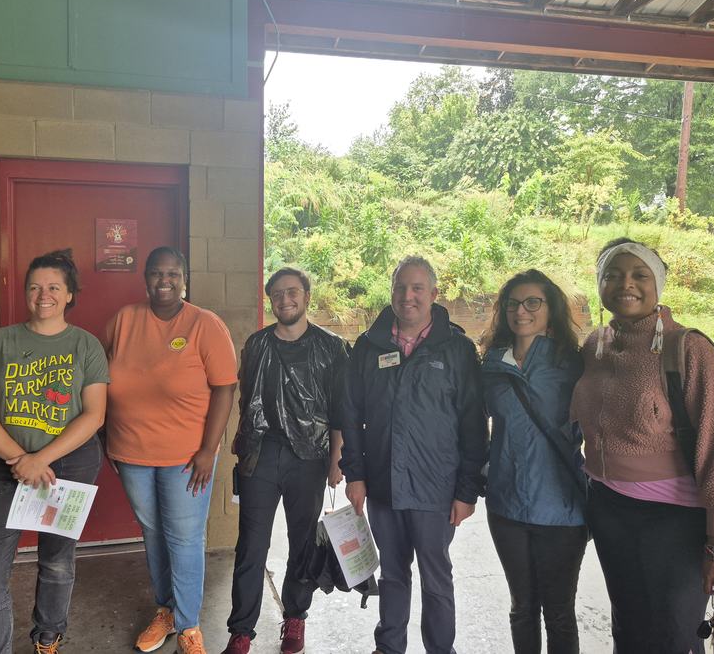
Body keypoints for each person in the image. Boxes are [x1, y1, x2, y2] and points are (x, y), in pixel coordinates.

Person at [571, 237, 714, 653]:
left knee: (673, 634)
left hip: (673, 521)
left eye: (639, 275)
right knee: (628, 627)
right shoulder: (595, 344)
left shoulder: (690, 348)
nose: (625, 284)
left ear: (658, 283)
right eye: (612, 275)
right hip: (609, 511)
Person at [0, 249, 109, 654]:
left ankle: (48, 636)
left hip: (70, 464)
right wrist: (21, 460)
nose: (42, 295)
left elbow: (94, 415)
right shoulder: (0, 341)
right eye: (35, 287)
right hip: (7, 466)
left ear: (69, 295)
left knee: (56, 559)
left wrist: (40, 459)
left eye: (53, 288)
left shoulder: (86, 345)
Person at [339, 255, 487, 654]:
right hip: (384, 481)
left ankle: (441, 649)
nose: (409, 296)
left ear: (434, 294)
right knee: (392, 574)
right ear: (391, 292)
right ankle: (389, 648)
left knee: (436, 577)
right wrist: (354, 474)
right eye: (401, 287)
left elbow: (474, 425)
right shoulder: (369, 347)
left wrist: (467, 490)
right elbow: (350, 414)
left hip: (437, 487)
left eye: (418, 288)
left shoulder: (456, 349)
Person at [104, 246, 237, 654]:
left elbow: (225, 388)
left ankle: (189, 626)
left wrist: (208, 450)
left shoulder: (204, 324)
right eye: (157, 273)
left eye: (173, 274)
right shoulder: (123, 321)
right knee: (153, 533)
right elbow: (97, 377)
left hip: (187, 458)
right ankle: (166, 609)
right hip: (131, 453)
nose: (165, 280)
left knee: (184, 538)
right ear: (145, 278)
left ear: (184, 279)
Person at [221, 267, 350, 654]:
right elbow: (248, 402)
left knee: (302, 540)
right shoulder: (257, 343)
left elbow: (341, 408)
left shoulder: (332, 347)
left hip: (309, 456)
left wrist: (336, 458)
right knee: (251, 545)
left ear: (307, 296)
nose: (285, 300)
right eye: (277, 294)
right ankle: (241, 630)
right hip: (262, 454)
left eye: (292, 292)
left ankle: (295, 616)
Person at [480, 270, 587, 654]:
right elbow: (475, 427)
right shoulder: (490, 366)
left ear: (550, 309)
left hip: (561, 510)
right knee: (522, 609)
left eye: (532, 303)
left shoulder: (572, 364)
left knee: (558, 612)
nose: (520, 311)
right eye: (512, 303)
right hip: (507, 506)